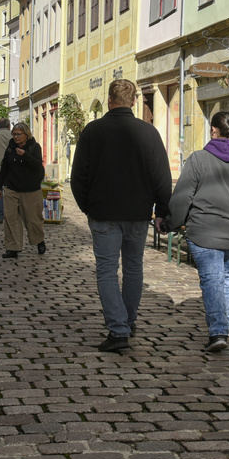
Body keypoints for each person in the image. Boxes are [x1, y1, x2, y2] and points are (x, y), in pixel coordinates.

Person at [69, 78, 172, 353]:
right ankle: (128, 320)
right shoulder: (148, 133)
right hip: (138, 213)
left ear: (110, 101)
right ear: (134, 101)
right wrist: (162, 210)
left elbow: (78, 176)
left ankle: (118, 329)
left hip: (103, 212)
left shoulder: (93, 131)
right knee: (133, 268)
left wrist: (87, 206)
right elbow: (162, 177)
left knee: (106, 270)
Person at [162, 111, 229, 352]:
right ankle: (224, 326)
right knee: (228, 279)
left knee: (212, 281)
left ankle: (218, 330)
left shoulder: (198, 159)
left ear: (213, 131)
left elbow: (182, 197)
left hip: (204, 232)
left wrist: (171, 223)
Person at [0, 121, 47, 258]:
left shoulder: (34, 147)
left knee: (33, 219)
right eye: (14, 134)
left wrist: (25, 155)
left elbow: (38, 166)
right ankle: (13, 248)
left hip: (31, 188)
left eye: (19, 134)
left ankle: (39, 240)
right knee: (10, 218)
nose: (16, 137)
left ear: (26, 134)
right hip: (12, 188)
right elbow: (5, 166)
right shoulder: (10, 147)